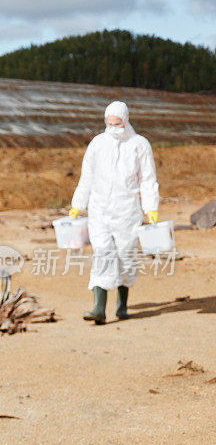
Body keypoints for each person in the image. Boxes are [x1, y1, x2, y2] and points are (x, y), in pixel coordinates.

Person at [69, 101, 159, 324]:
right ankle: (98, 309)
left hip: (128, 211)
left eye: (118, 125)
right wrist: (78, 204)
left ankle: (122, 306)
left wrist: (151, 208)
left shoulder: (140, 145)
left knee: (125, 256)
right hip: (100, 209)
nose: (114, 129)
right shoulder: (97, 144)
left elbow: (148, 179)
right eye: (109, 124)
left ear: (126, 121)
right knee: (102, 253)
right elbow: (86, 177)